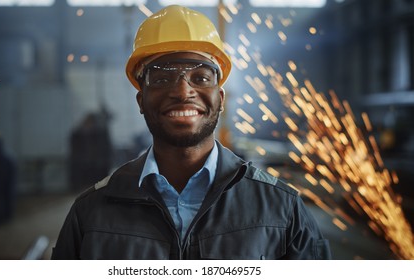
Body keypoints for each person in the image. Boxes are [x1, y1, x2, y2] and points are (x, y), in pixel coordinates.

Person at [52, 5, 331, 260]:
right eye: (162, 78)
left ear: (220, 99)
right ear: (141, 101)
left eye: (201, 78)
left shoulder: (282, 209)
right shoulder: (90, 213)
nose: (183, 91)